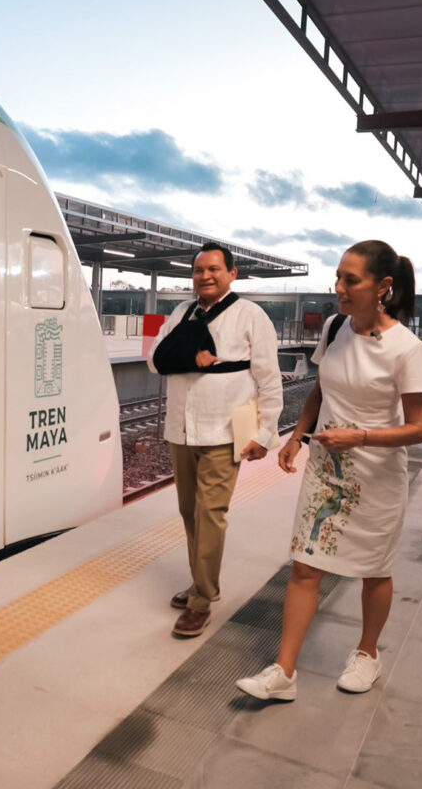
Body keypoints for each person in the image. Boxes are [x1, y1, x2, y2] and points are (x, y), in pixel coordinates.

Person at [236, 240, 422, 701]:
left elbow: (419, 429)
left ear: (383, 286)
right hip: (326, 470)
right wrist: (298, 435)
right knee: (305, 566)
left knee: (374, 571)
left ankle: (367, 654)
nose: (339, 288)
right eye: (338, 277)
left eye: (351, 280)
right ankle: (284, 671)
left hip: (377, 478)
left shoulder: (408, 350)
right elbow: (320, 391)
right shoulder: (335, 326)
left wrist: (358, 437)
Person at [147, 242, 283, 638]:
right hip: (182, 430)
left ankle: (202, 600)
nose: (205, 276)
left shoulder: (251, 316)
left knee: (211, 514)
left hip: (226, 432)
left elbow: (269, 379)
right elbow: (157, 360)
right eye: (198, 270)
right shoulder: (181, 313)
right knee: (190, 512)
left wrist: (265, 433)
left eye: (214, 269)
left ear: (232, 273)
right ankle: (201, 582)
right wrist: (192, 357)